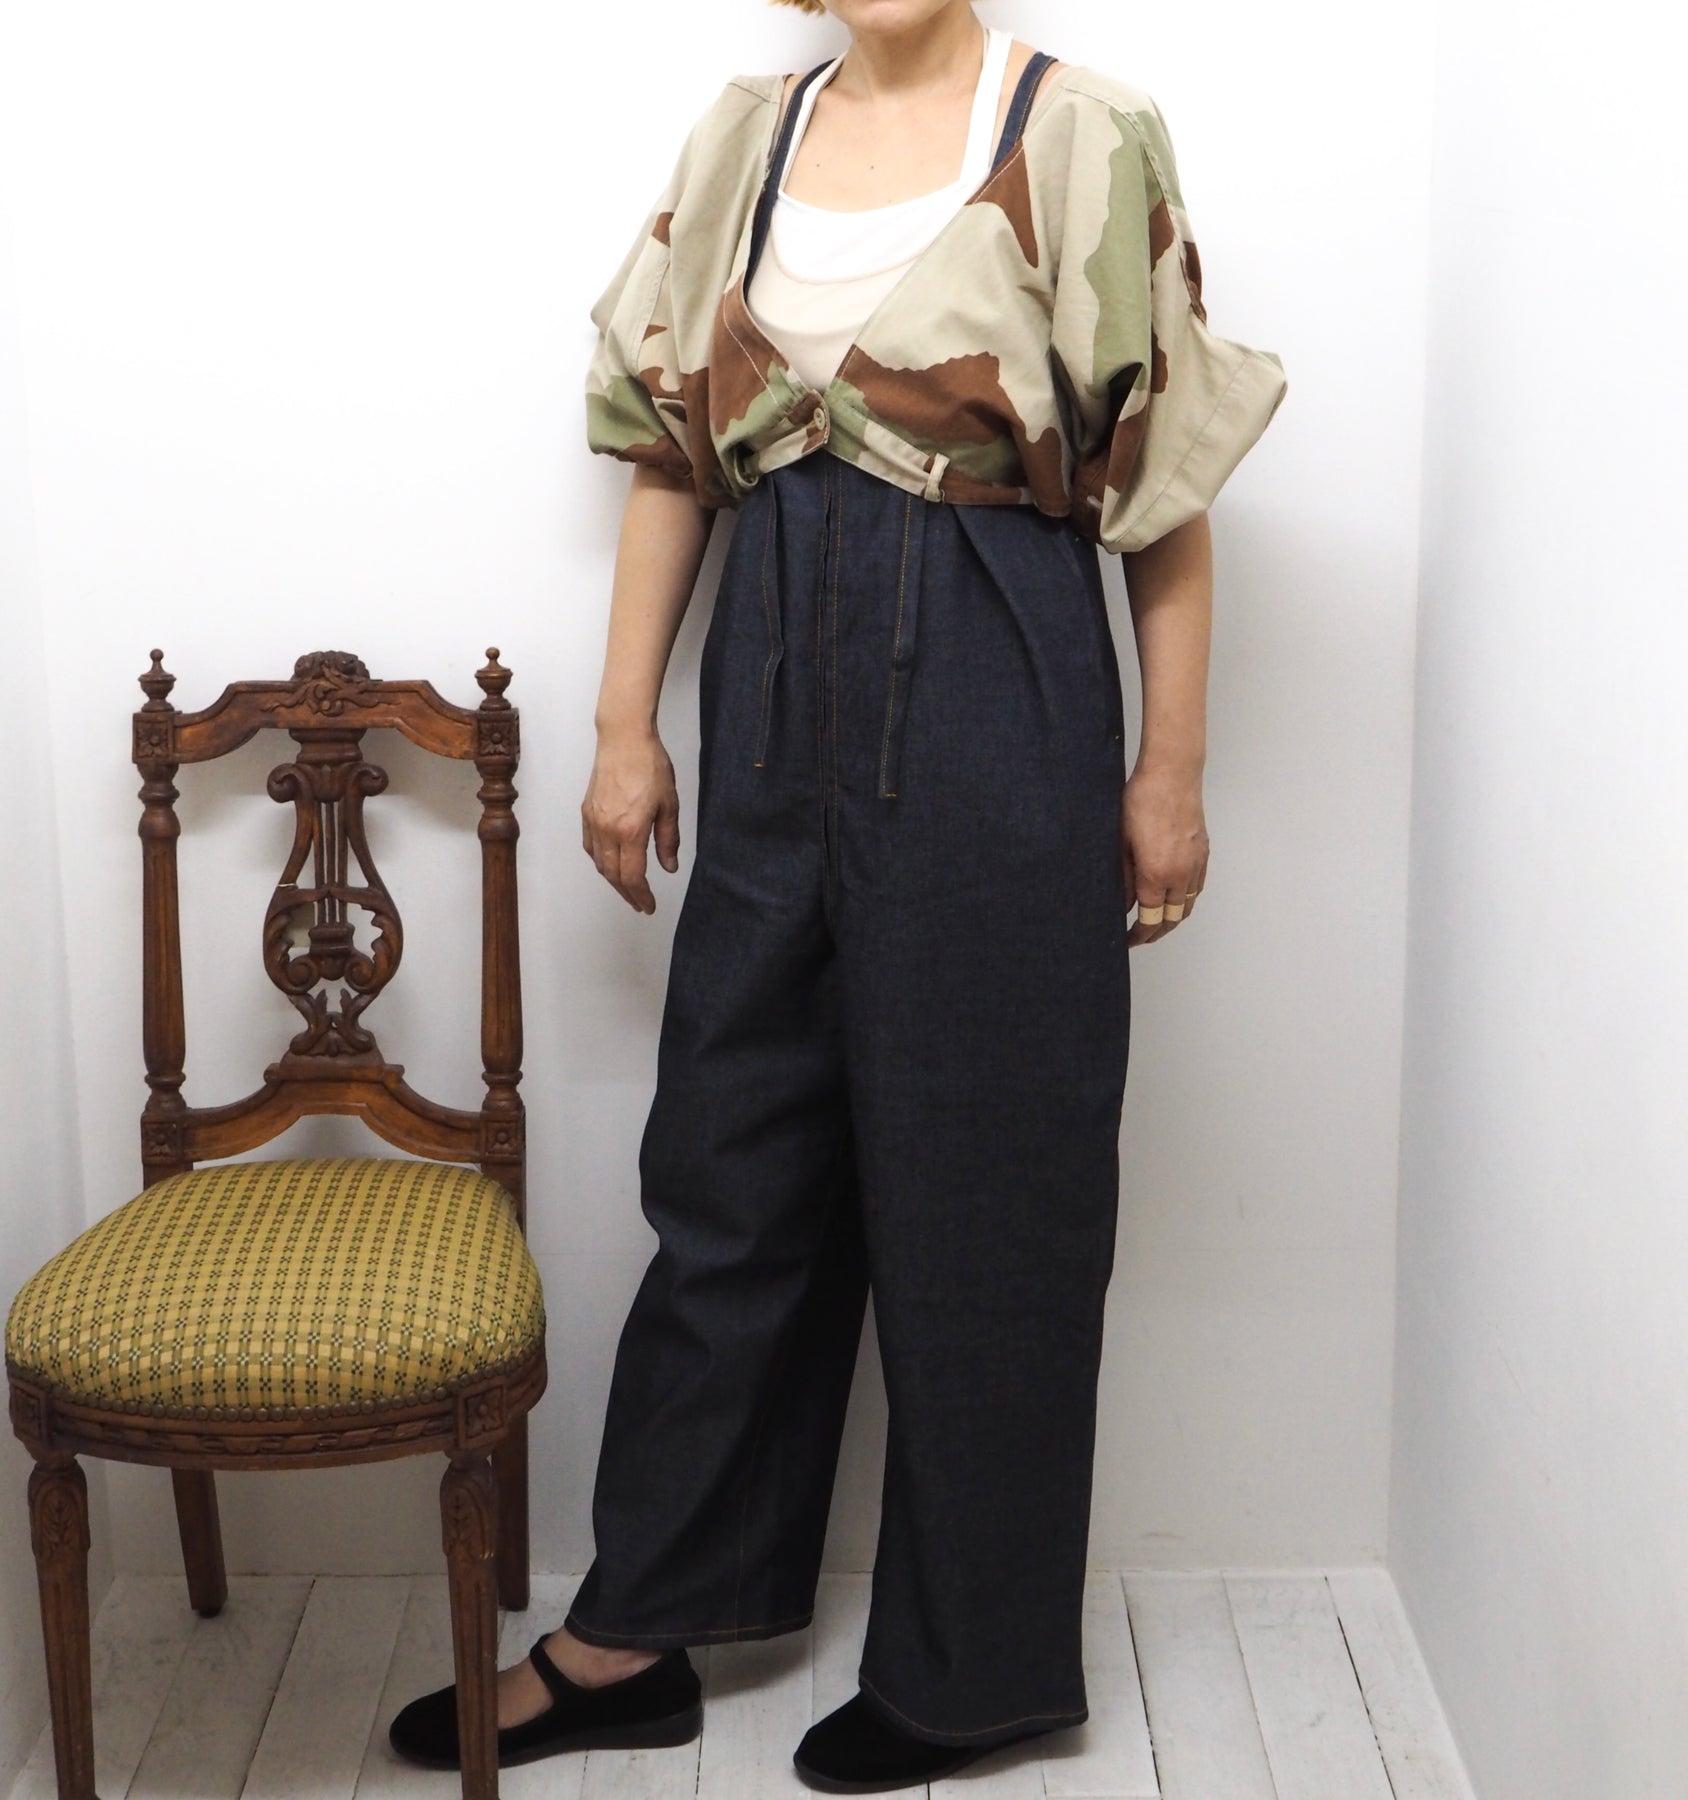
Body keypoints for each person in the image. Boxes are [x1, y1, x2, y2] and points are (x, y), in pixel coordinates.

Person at [391, 1, 1287, 1790]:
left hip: (998, 671)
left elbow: (1162, 474)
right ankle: (640, 1627)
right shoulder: (747, 134)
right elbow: (673, 449)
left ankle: (976, 1675)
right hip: (773, 681)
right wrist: (625, 725)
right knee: (732, 1166)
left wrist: (1170, 771)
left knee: (990, 1185)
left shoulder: (1078, 131)